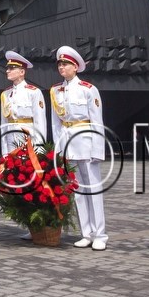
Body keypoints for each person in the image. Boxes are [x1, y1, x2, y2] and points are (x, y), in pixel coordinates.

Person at [51, 46, 107, 250]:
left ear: (75, 67)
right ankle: (87, 232)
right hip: (68, 143)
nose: (61, 67)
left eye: (65, 64)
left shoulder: (88, 89)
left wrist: (98, 150)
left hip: (86, 140)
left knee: (93, 189)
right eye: (59, 64)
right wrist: (59, 149)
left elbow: (97, 122)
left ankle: (100, 234)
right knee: (78, 190)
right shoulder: (56, 90)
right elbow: (56, 123)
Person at [0, 51, 47, 153]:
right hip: (10, 137)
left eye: (12, 68)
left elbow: (40, 122)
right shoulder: (5, 94)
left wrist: (40, 149)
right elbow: (3, 122)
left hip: (27, 138)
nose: (7, 71)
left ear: (22, 72)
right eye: (8, 68)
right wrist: (4, 150)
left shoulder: (33, 92)